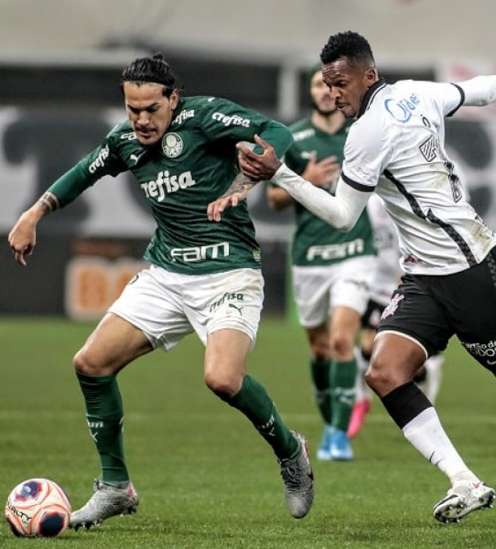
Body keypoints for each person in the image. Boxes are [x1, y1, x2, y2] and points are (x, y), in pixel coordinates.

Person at [209, 32, 496, 527]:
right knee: (383, 372)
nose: (335, 94)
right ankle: (463, 481)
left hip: (474, 269)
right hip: (424, 275)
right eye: (327, 85)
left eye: (341, 83)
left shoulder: (366, 134)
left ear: (368, 75)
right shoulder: (416, 92)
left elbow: (341, 215)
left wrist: (285, 176)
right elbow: (471, 92)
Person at [7, 54, 314, 529]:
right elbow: (82, 174)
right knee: (90, 364)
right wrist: (33, 214)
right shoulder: (125, 141)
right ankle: (115, 487)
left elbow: (277, 132)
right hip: (166, 275)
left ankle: (291, 451)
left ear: (173, 98)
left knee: (223, 380)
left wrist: (246, 177)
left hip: (229, 272)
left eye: (152, 108)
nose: (142, 120)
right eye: (133, 110)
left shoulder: (204, 116)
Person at [266, 68, 376, 461]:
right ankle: (331, 420)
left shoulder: (361, 132)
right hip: (311, 255)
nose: (327, 91)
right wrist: (304, 179)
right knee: (319, 348)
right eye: (318, 84)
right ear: (310, 92)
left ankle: (337, 434)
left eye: (332, 84)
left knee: (342, 340)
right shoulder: (293, 138)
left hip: (355, 251)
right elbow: (273, 200)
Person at [347, 194, 444, 439]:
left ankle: (425, 408)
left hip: (412, 282)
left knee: (413, 363)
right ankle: (361, 401)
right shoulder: (368, 199)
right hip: (377, 283)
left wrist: (411, 272)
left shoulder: (411, 197)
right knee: (368, 346)